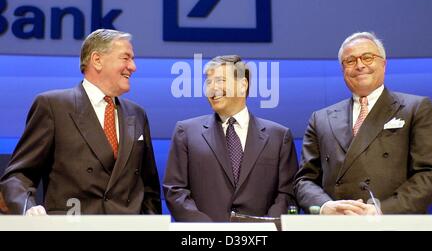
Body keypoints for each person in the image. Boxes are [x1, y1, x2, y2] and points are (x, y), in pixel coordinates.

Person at [0, 29, 161, 215]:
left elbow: (149, 187)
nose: (133, 67)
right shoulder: (53, 106)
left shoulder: (137, 114)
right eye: (126, 58)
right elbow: (19, 175)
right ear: (97, 60)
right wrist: (28, 209)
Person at [294, 32, 432, 215]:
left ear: (384, 63)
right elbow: (304, 181)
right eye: (350, 61)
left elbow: (429, 174)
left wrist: (381, 211)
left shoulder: (416, 109)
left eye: (367, 57)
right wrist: (325, 207)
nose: (359, 65)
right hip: (337, 225)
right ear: (343, 70)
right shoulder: (320, 119)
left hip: (394, 224)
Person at [163, 55, 298, 221]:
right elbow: (175, 191)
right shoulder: (186, 132)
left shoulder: (279, 137)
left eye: (219, 80)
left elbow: (286, 194)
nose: (212, 89)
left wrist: (263, 229)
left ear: (243, 85)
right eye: (208, 82)